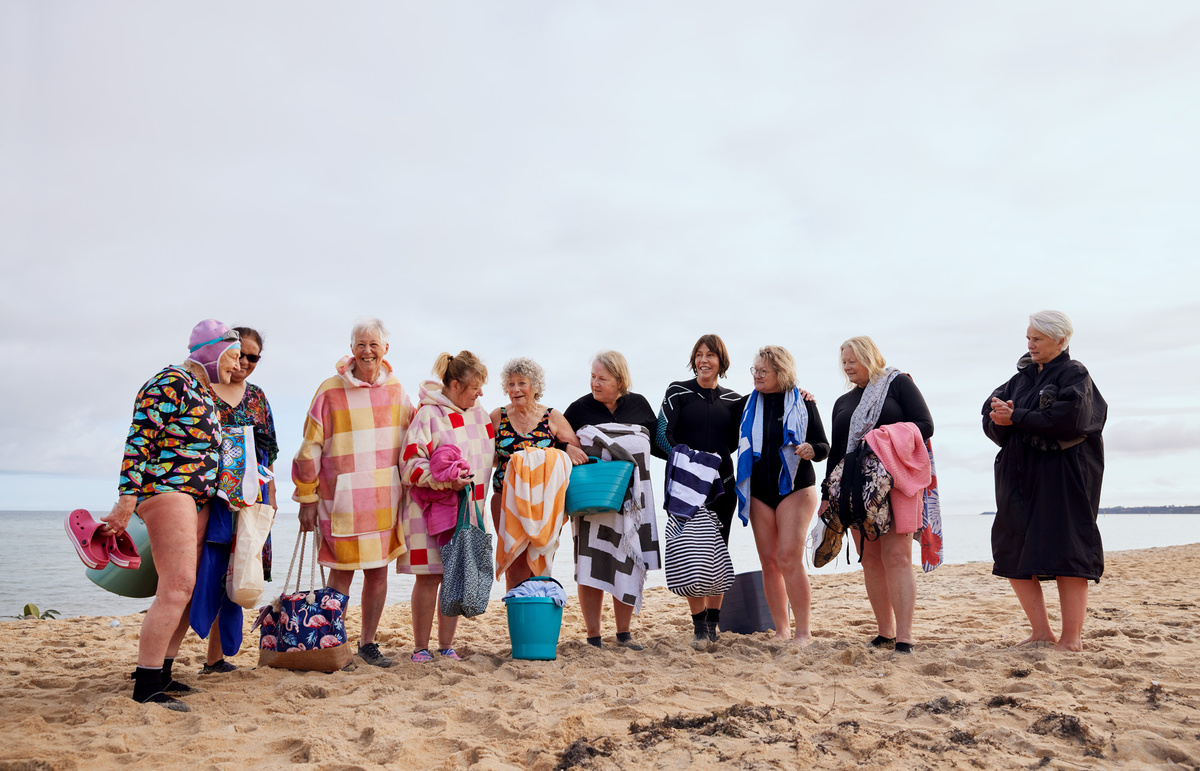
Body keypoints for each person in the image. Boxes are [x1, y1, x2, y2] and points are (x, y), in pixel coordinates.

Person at [100, 320, 241, 710]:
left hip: (198, 496)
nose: (239, 363)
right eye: (234, 354)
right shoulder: (170, 381)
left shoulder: (203, 391)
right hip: (167, 490)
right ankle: (146, 685)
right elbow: (138, 440)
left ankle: (162, 673)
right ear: (212, 350)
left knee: (191, 588)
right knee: (177, 586)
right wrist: (125, 500)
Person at [293, 318, 413, 668]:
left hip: (384, 499)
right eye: (361, 344)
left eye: (374, 344)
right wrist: (306, 498)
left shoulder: (397, 390)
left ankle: (369, 643)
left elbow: (413, 437)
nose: (367, 351)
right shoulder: (329, 390)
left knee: (378, 573)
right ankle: (334, 641)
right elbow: (309, 448)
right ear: (352, 349)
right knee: (340, 573)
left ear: (385, 349)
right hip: (340, 500)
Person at [984, 311, 1107, 652]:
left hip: (1062, 479)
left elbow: (1074, 417)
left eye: (1037, 339)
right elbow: (991, 412)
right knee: (1011, 550)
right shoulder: (1019, 378)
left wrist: (1018, 416)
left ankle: (1071, 639)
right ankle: (1041, 632)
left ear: (1061, 341)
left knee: (1068, 551)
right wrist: (1000, 419)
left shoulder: (1075, 374)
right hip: (1017, 477)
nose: (1030, 344)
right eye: (1028, 338)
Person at [823, 336, 933, 654]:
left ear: (870, 357)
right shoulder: (842, 402)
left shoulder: (897, 384)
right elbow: (837, 453)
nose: (847, 365)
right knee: (870, 559)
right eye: (843, 360)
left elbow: (925, 425)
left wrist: (882, 437)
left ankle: (905, 637)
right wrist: (826, 495)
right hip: (855, 485)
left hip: (895, 480)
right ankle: (885, 632)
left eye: (852, 360)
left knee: (897, 557)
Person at [563, 350, 666, 649]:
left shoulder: (639, 404)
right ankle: (593, 636)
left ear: (620, 381)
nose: (594, 383)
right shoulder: (579, 409)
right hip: (592, 500)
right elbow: (556, 438)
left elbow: (660, 444)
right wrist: (566, 448)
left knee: (628, 562)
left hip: (632, 505)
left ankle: (624, 633)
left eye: (602, 378)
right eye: (592, 377)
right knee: (590, 564)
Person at [398, 351, 495, 663]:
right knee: (429, 576)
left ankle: (446, 645)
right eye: (475, 387)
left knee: (456, 574)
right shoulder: (428, 415)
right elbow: (410, 464)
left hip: (467, 509)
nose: (481, 393)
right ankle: (420, 648)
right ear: (455, 385)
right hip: (429, 509)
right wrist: (444, 483)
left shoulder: (480, 416)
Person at [733, 346, 829, 646]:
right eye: (755, 370)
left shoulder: (802, 402)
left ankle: (803, 632)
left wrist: (811, 449)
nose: (757, 376)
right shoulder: (746, 404)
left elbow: (824, 446)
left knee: (789, 557)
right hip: (759, 491)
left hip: (796, 488)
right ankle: (781, 630)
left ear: (781, 373)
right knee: (770, 562)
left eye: (764, 371)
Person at [198, 326, 278, 675]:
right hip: (205, 497)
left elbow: (269, 452)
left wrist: (271, 499)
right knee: (198, 572)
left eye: (252, 357)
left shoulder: (257, 397)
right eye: (239, 354)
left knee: (238, 570)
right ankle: (160, 658)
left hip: (250, 497)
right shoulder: (201, 391)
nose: (244, 362)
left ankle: (215, 659)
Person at [657, 334, 742, 645]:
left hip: (723, 487)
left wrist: (802, 395)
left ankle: (713, 624)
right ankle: (698, 625)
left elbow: (759, 422)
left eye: (710, 355)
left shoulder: (734, 400)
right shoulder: (678, 391)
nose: (703, 360)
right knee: (690, 554)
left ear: (721, 361)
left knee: (717, 553)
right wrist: (690, 461)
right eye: (699, 354)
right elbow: (660, 434)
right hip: (685, 487)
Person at [489, 357, 589, 589]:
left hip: (545, 503)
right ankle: (519, 620)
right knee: (514, 563)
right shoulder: (498, 416)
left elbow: (575, 455)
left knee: (539, 563)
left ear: (535, 386)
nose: (515, 389)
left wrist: (560, 449)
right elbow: (484, 455)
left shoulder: (551, 416)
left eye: (522, 383)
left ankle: (538, 618)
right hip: (505, 498)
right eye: (511, 384)